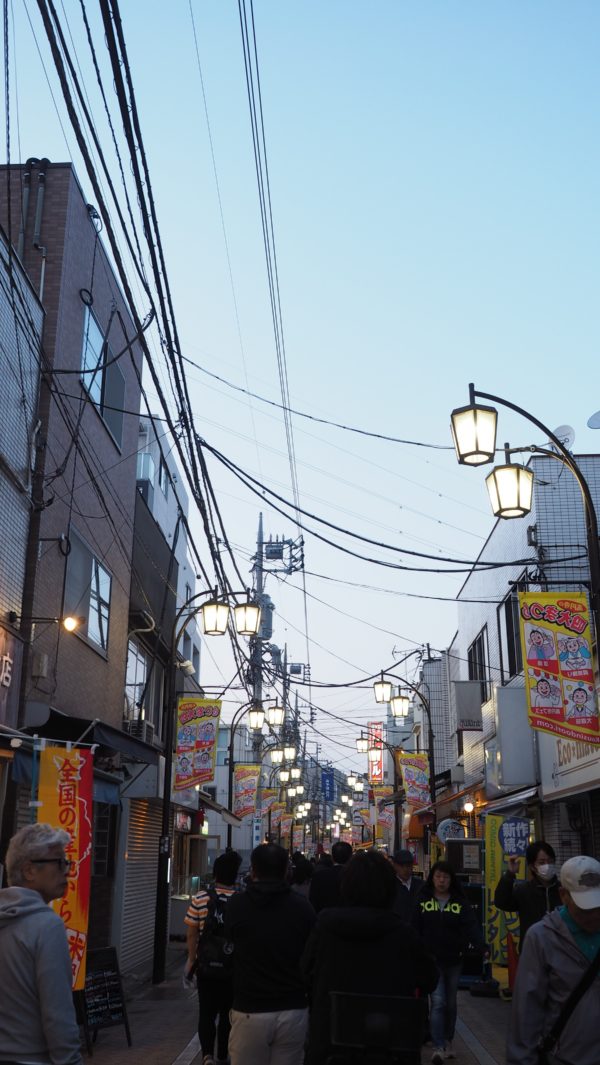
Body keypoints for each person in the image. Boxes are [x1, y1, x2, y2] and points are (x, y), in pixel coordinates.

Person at [302, 849, 438, 1065]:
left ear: (347, 885)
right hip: (391, 1045)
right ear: (389, 888)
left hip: (332, 1043)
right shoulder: (403, 933)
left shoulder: (326, 925)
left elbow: (305, 973)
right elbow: (429, 979)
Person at [224, 842, 315, 1065]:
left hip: (249, 1007)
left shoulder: (237, 905)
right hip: (292, 1007)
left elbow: (229, 946)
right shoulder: (303, 907)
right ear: (286, 870)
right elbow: (311, 956)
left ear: (253, 870)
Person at [0, 822, 83, 1065]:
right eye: (58, 862)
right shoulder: (47, 926)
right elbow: (58, 1016)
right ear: (29, 871)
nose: (66, 870)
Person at [507, 855, 600, 1065]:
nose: (594, 914)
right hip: (564, 1057)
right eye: (586, 907)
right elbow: (526, 1012)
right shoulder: (541, 938)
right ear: (564, 896)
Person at [413, 860, 482, 1064]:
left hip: (454, 959)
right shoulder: (423, 899)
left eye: (445, 877)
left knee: (451, 1003)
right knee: (438, 1002)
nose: (441, 881)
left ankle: (448, 1040)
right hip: (431, 959)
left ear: (451, 880)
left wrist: (482, 946)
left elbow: (471, 925)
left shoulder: (459, 902)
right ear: (432, 878)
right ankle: (438, 1046)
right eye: (438, 876)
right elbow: (414, 925)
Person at [184, 850, 242, 1065]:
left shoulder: (200, 898)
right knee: (228, 1013)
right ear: (235, 875)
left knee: (206, 1012)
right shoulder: (241, 900)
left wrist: (192, 959)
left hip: (206, 966)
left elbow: (191, 933)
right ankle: (222, 1055)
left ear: (215, 874)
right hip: (232, 967)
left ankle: (207, 1055)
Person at [494, 840, 560, 948]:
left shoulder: (563, 890)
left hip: (559, 952)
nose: (547, 865)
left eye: (550, 861)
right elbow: (501, 902)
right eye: (542, 862)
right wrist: (510, 874)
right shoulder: (524, 890)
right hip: (532, 951)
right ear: (532, 866)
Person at [308, 839, 352, 912]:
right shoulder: (357, 875)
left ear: (333, 858)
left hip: (324, 917)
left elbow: (313, 901)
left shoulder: (319, 876)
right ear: (350, 857)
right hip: (352, 919)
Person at [391, 848, 423, 922]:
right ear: (395, 866)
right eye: (402, 866)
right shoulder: (390, 885)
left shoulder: (421, 885)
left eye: (408, 866)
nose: (405, 869)